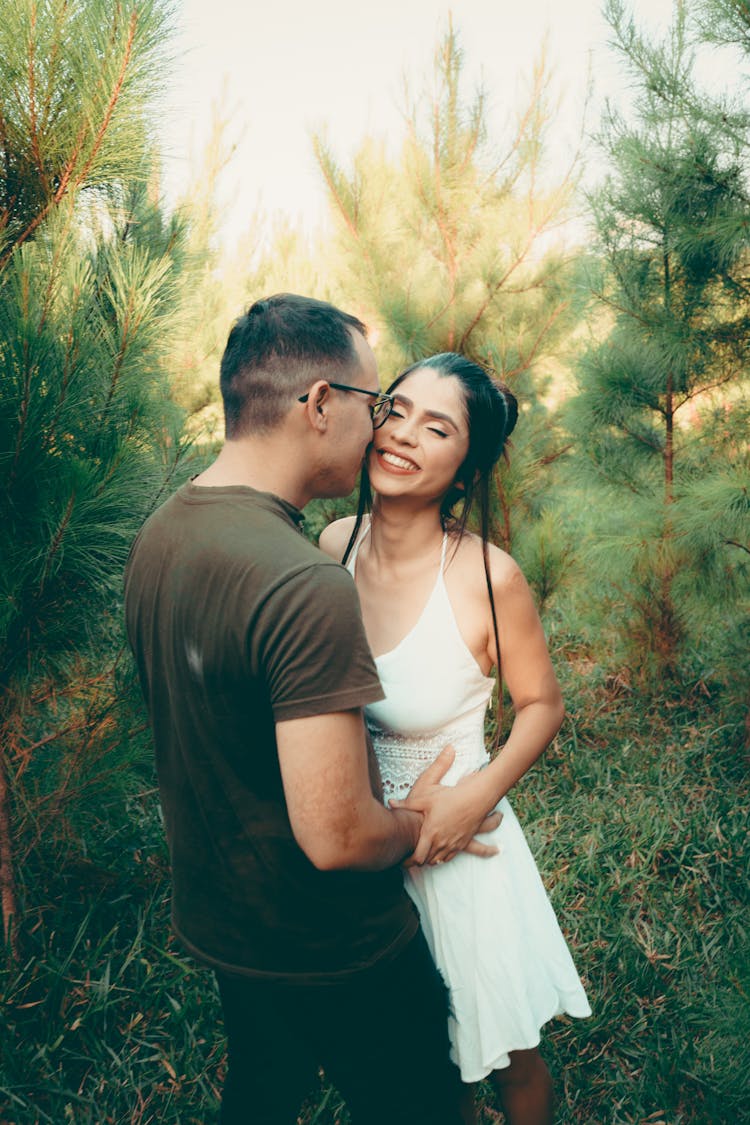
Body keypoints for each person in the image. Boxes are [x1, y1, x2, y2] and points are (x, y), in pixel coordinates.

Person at [123, 296, 501, 1125]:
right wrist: (418, 821)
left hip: (226, 926)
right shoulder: (303, 582)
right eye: (377, 405)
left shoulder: (161, 533)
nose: (381, 430)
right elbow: (335, 835)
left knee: (259, 1091)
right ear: (320, 403)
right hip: (334, 944)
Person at [320, 352, 591, 1125]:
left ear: (466, 466)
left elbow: (540, 703)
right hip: (365, 845)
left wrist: (475, 795)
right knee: (418, 1065)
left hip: (458, 853)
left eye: (435, 428)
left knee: (505, 1056)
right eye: (395, 410)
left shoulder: (486, 575)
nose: (400, 436)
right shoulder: (335, 544)